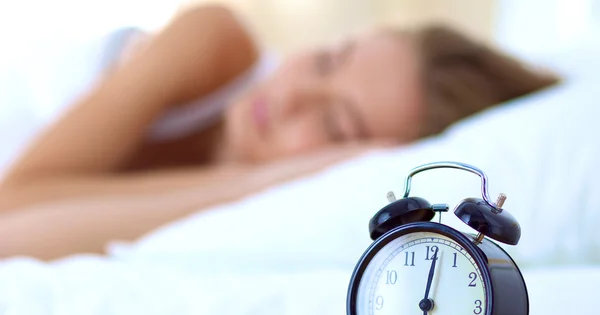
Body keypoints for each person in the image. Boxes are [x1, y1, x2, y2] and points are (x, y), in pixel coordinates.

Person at [0, 5, 558, 260]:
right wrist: (258, 177)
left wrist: (270, 182)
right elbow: (11, 208)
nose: (289, 96)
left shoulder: (274, 216)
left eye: (335, 122)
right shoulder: (214, 43)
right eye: (324, 61)